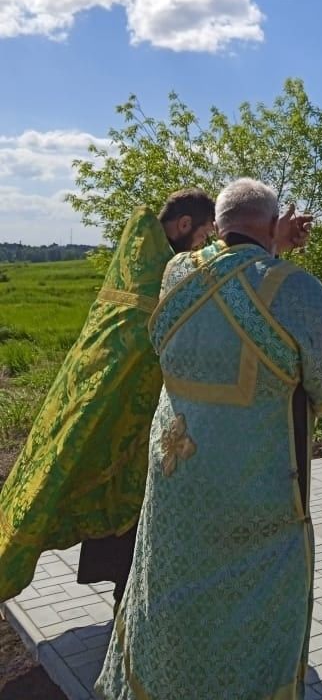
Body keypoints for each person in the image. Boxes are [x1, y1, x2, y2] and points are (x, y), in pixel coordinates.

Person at [95, 178, 322, 700]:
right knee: (247, 613)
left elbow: (227, 277)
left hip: (175, 480)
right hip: (253, 495)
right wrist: (275, 252)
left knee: (172, 597)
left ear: (215, 228)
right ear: (269, 222)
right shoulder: (293, 288)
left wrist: (269, 243)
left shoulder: (176, 274)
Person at [0, 189, 216, 609]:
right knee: (128, 512)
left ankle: (128, 597)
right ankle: (127, 603)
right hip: (128, 429)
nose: (204, 244)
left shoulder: (140, 266)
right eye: (204, 232)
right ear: (185, 225)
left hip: (129, 427)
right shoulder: (156, 279)